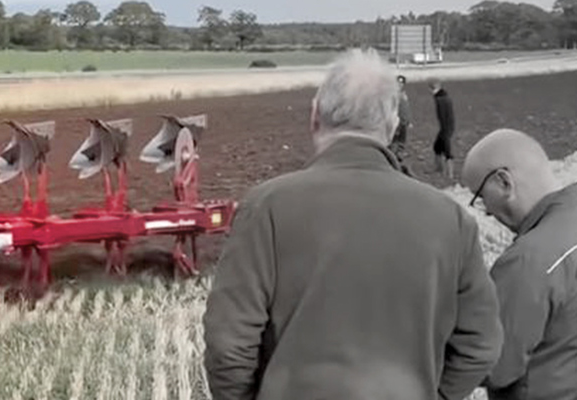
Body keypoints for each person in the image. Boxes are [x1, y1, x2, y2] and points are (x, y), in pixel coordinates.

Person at [202, 48, 503, 400]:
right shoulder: (450, 219)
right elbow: (481, 343)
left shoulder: (266, 207)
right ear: (392, 126)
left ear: (315, 115)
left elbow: (228, 343)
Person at [462, 128, 577, 400]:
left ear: (504, 182)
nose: (486, 210)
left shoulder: (528, 260)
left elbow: (495, 366)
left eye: (480, 197)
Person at [428, 77, 455, 180]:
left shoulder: (440, 99)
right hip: (448, 126)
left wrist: (444, 131)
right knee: (437, 147)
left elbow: (442, 116)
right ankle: (440, 169)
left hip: (445, 128)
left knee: (446, 150)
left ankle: (449, 173)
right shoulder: (445, 96)